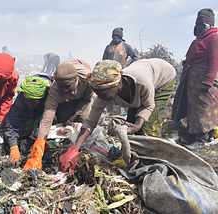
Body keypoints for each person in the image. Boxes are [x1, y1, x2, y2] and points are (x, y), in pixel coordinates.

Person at [58, 59, 176, 174]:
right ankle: (133, 160)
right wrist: (73, 150)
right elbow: (89, 124)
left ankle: (151, 166)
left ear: (118, 84)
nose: (101, 98)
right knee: (130, 128)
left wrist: (138, 125)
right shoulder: (102, 95)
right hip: (142, 73)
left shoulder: (141, 83)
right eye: (97, 94)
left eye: (104, 94)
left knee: (148, 130)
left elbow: (149, 105)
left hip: (162, 77)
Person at [23, 59, 94, 171]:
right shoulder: (55, 90)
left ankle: (79, 150)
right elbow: (47, 117)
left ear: (76, 80)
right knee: (63, 123)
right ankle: (65, 149)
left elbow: (86, 100)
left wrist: (73, 117)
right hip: (64, 102)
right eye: (61, 86)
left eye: (67, 86)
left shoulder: (87, 80)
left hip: (82, 99)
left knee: (82, 122)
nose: (64, 90)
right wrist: (40, 141)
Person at [172, 8, 218, 150]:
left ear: (208, 25)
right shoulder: (199, 40)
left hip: (203, 81)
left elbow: (215, 61)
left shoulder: (214, 38)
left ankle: (202, 138)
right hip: (193, 82)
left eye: (202, 25)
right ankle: (194, 134)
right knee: (193, 109)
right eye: (197, 24)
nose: (199, 27)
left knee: (203, 109)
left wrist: (208, 81)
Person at [3, 74, 53, 163]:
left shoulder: (51, 94)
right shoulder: (21, 99)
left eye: (33, 102)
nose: (30, 105)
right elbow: (12, 124)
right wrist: (14, 148)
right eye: (27, 101)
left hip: (46, 107)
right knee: (23, 127)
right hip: (29, 108)